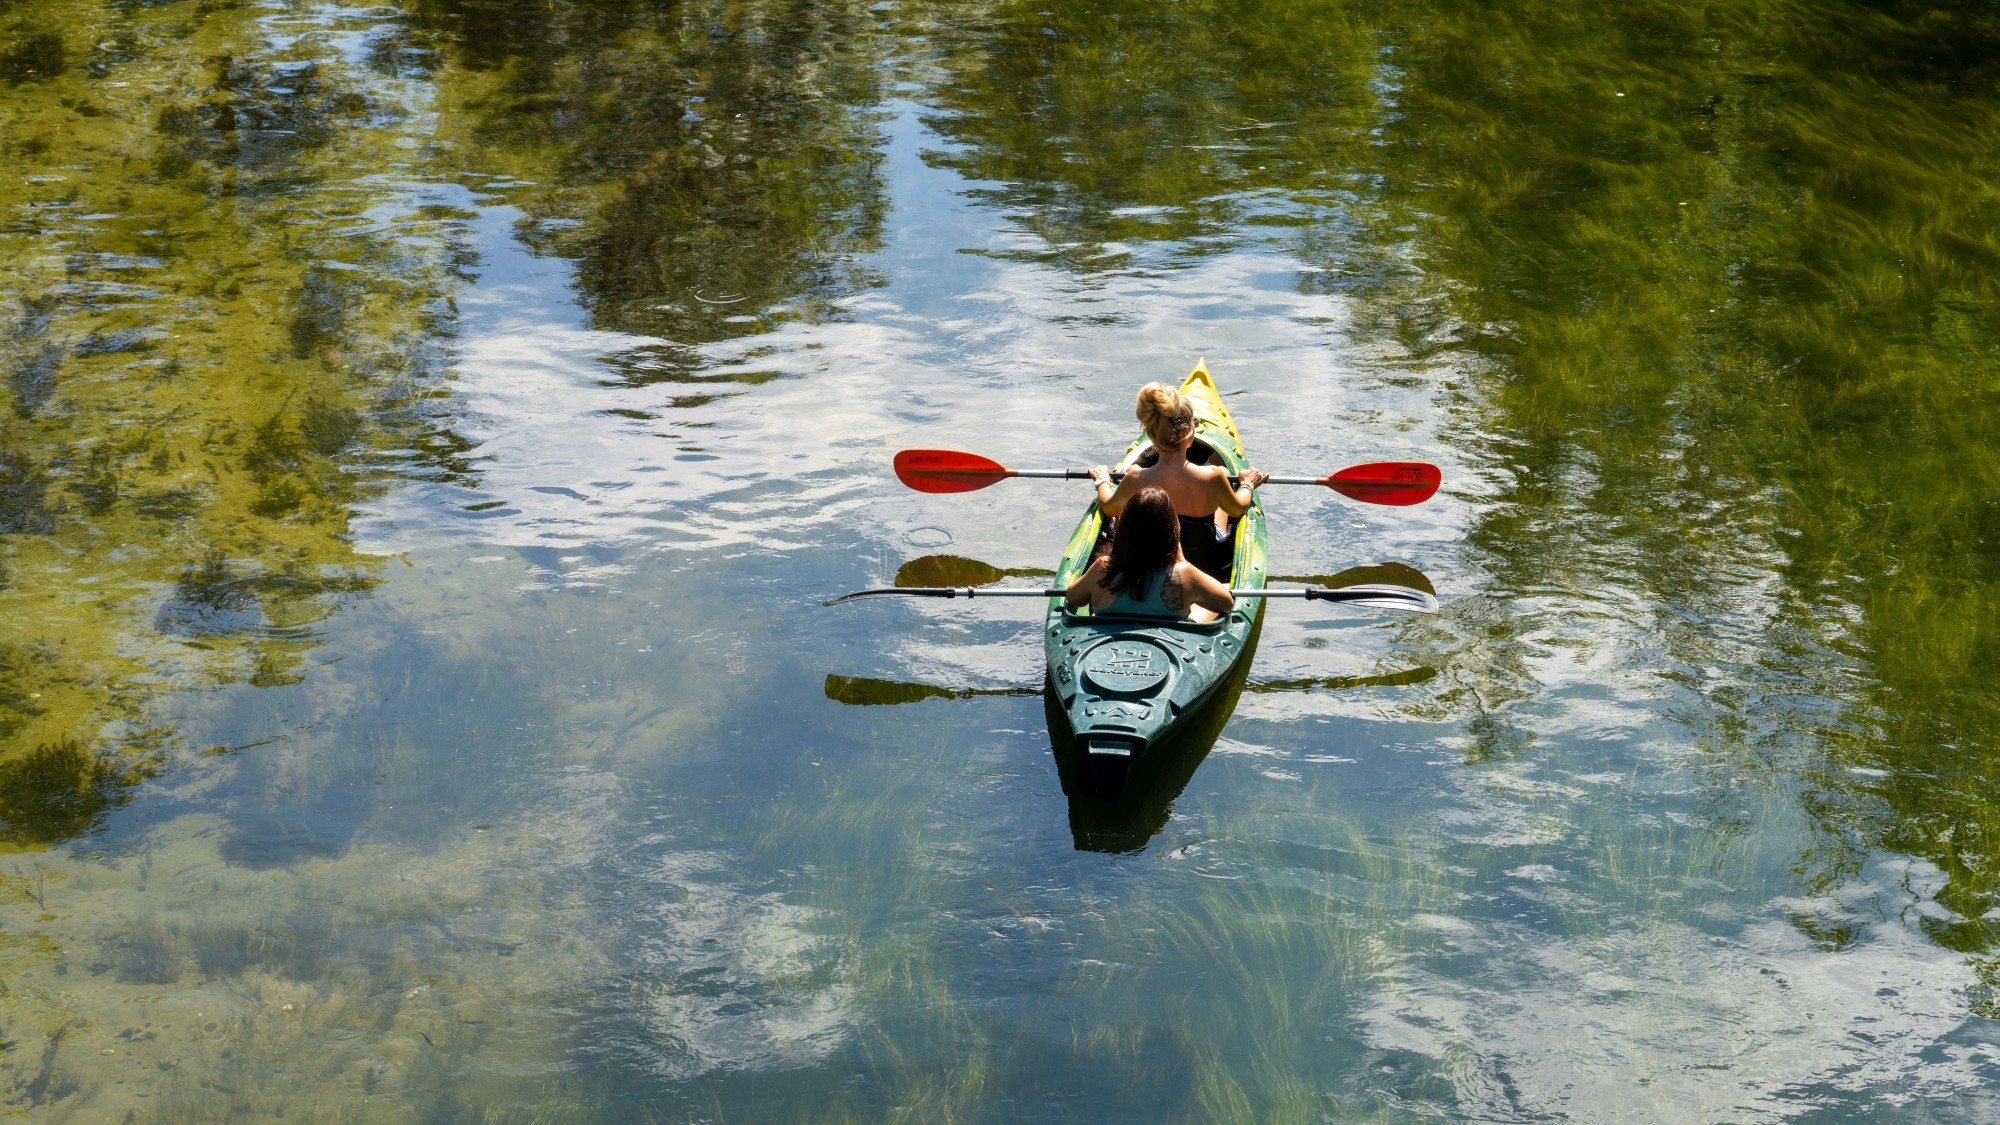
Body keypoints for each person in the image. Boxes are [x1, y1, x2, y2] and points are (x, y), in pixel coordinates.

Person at [1087, 382, 1268, 582]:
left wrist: (1102, 480)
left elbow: (1109, 507)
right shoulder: (1213, 477)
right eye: (1195, 424)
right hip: (1202, 560)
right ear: (1186, 433)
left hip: (1152, 554)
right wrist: (1247, 484)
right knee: (1223, 473)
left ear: (1152, 434)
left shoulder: (1135, 477)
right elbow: (1238, 508)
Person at [1065, 487, 1235, 622]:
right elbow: (1226, 603)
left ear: (1123, 530)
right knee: (1224, 587)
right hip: (1168, 640)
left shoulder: (1103, 567)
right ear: (1171, 533)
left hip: (1112, 637)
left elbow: (1073, 597)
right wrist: (1182, 560)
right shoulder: (1184, 574)